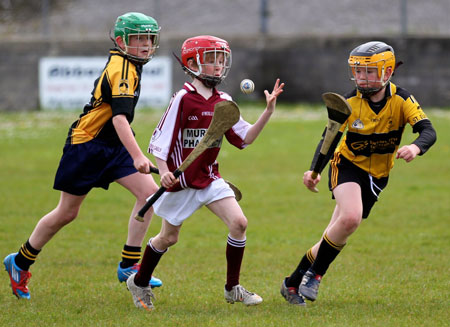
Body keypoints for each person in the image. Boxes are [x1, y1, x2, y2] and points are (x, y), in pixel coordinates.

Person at [3, 12, 164, 300]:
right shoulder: (123, 69)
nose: (146, 45)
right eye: (139, 39)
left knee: (149, 194)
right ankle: (20, 262)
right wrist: (138, 156)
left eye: (149, 39)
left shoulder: (130, 64)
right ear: (120, 41)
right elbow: (118, 119)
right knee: (67, 212)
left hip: (111, 147)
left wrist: (131, 153)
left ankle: (128, 265)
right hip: (86, 146)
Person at [126, 35, 285, 311]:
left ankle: (232, 288)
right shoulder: (183, 99)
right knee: (168, 238)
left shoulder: (224, 101)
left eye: (222, 60)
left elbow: (244, 138)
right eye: (212, 60)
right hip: (181, 182)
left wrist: (268, 112)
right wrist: (163, 171)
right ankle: (139, 281)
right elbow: (160, 141)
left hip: (210, 178)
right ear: (193, 63)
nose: (219, 66)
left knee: (239, 223)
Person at [280, 41, 437, 306]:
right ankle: (315, 275)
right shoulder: (349, 101)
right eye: (358, 71)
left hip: (378, 176)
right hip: (347, 166)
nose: (362, 78)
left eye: (369, 71)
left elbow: (428, 131)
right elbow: (328, 139)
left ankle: (291, 283)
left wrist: (415, 147)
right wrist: (314, 170)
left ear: (387, 72)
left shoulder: (402, 99)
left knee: (335, 233)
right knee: (350, 218)